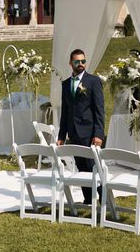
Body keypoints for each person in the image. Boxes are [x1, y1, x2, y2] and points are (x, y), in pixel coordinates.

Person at [57, 48, 105, 204]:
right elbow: (65, 111)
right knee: (81, 167)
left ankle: (105, 200)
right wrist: (61, 136)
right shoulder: (65, 85)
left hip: (90, 134)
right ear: (70, 63)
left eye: (83, 61)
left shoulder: (93, 81)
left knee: (94, 168)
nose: (80, 64)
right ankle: (88, 200)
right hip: (74, 133)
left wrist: (98, 134)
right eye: (77, 61)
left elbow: (100, 111)